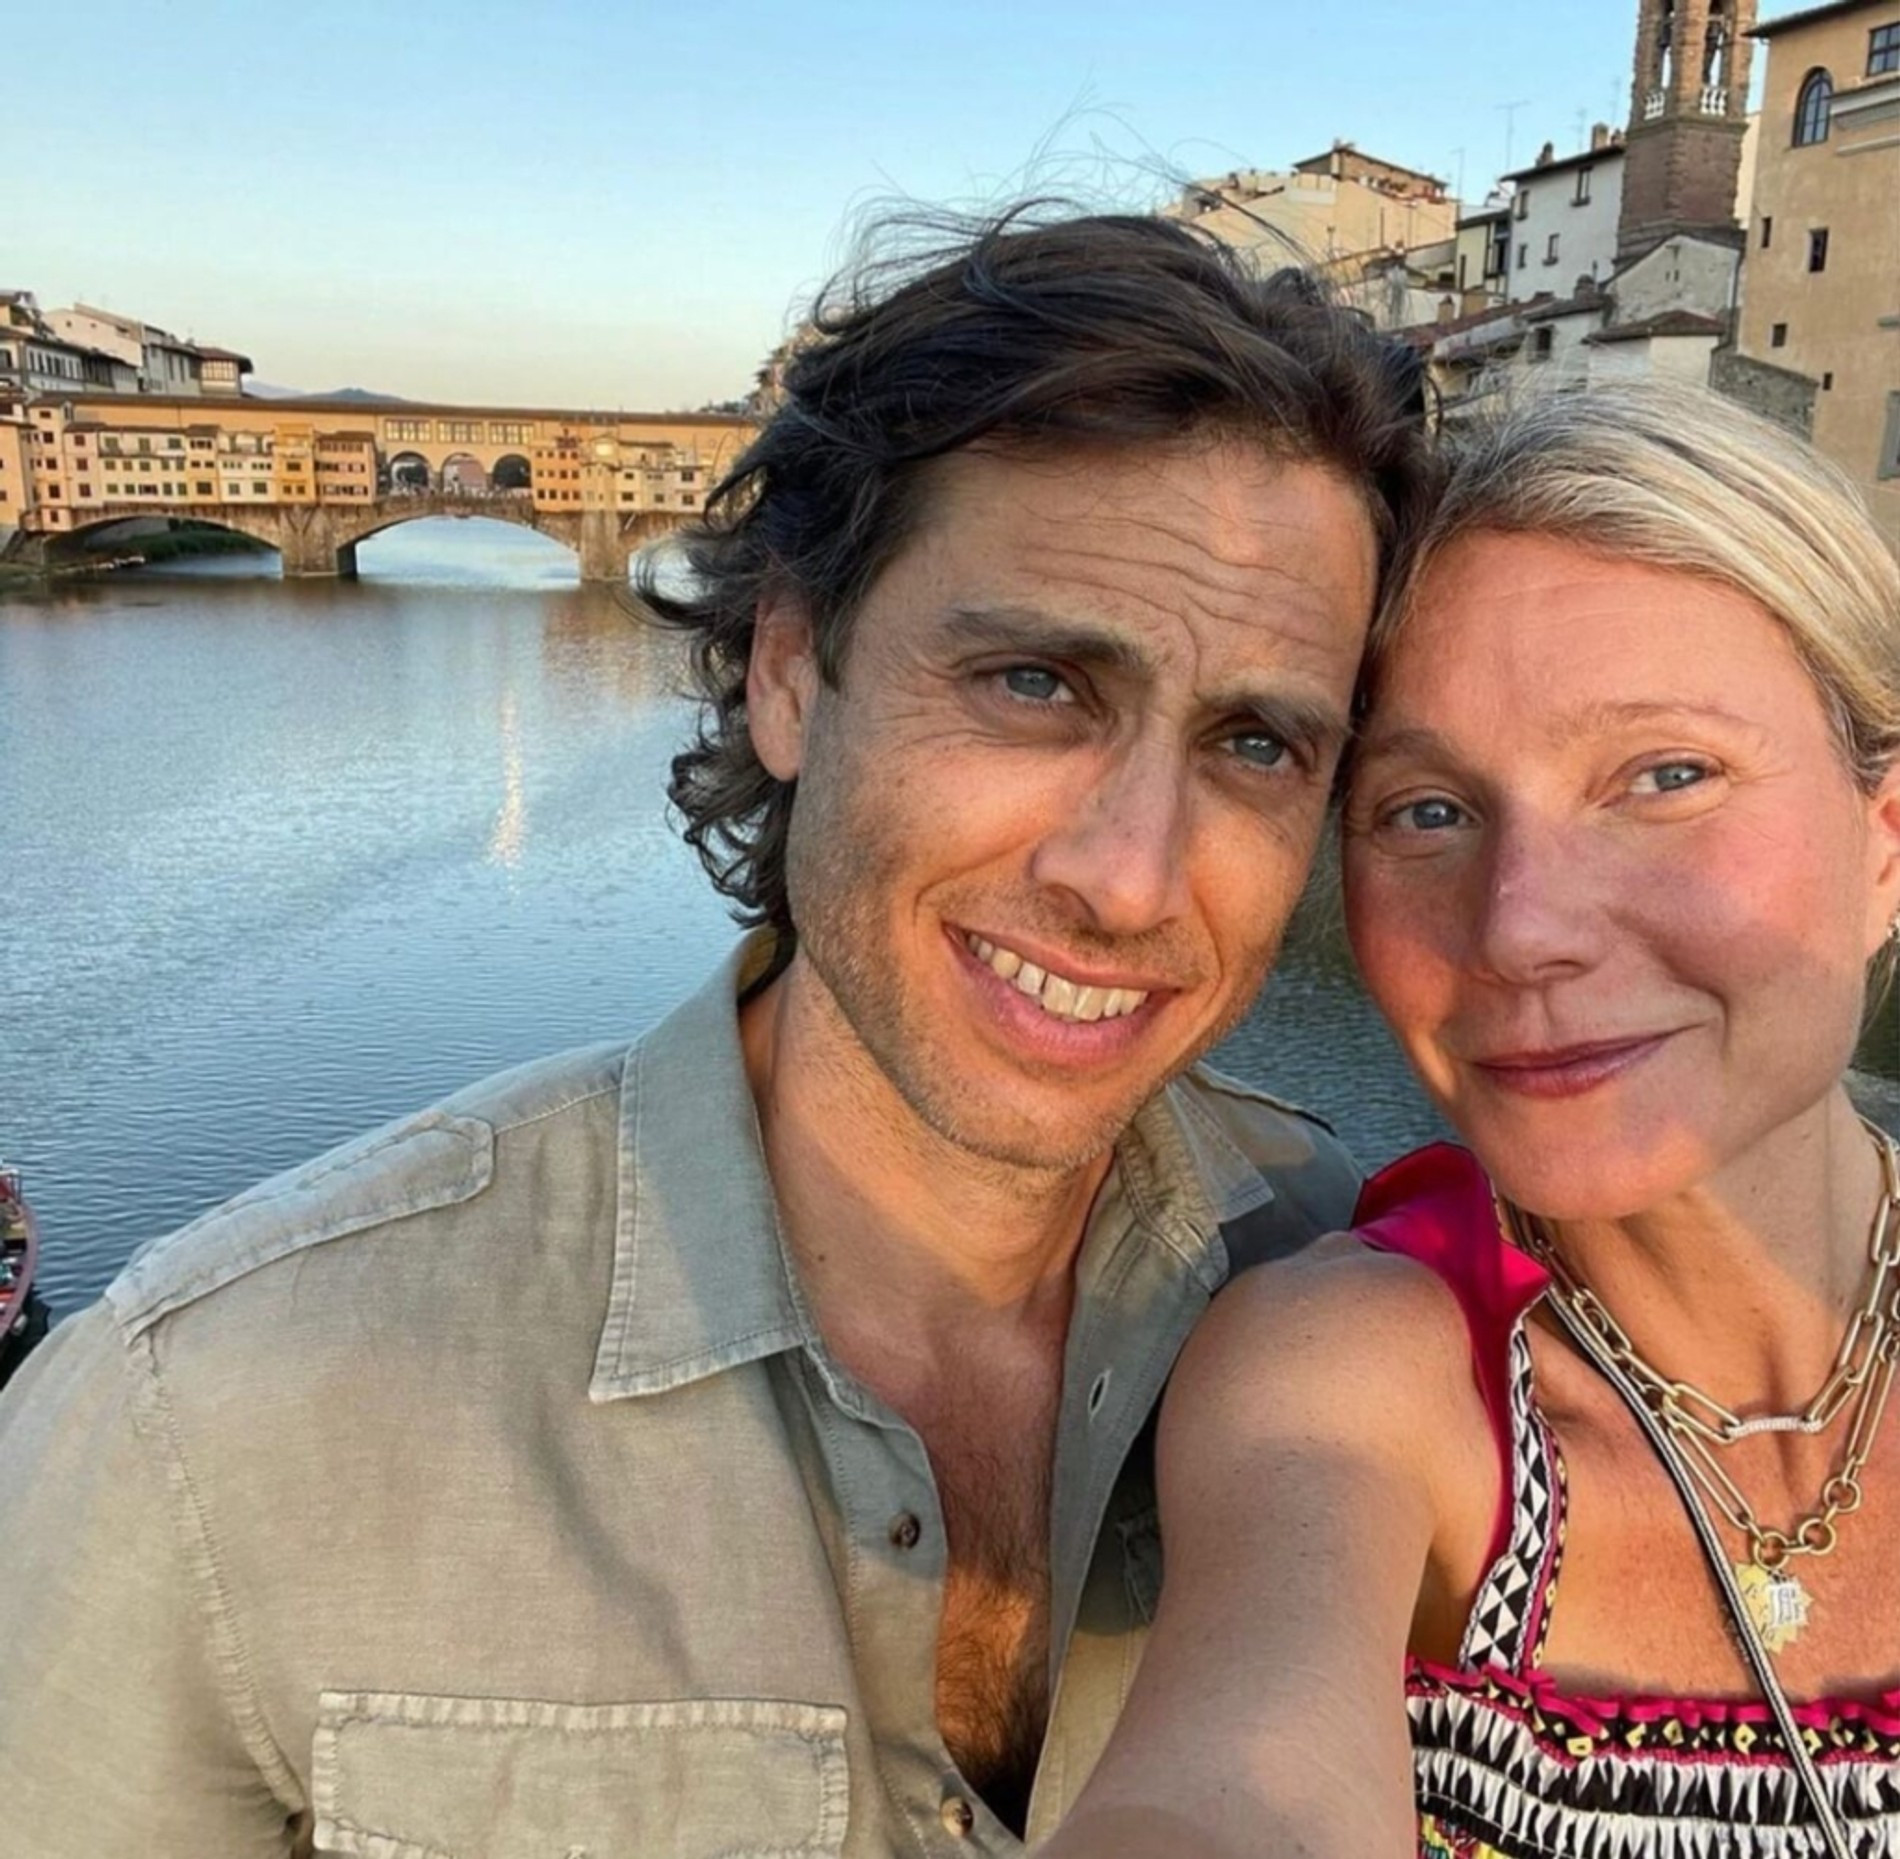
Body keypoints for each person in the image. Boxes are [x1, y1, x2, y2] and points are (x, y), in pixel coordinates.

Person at [0, 209, 1431, 1857]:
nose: (1128, 879)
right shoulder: (205, 1422)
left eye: (1254, 744)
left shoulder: (1367, 1285)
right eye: (1036, 684)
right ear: (789, 672)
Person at [1036, 379, 1900, 1859]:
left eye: (1667, 776)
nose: (1519, 930)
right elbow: (1239, 1788)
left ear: (1884, 845)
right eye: (1426, 810)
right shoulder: (1358, 1371)